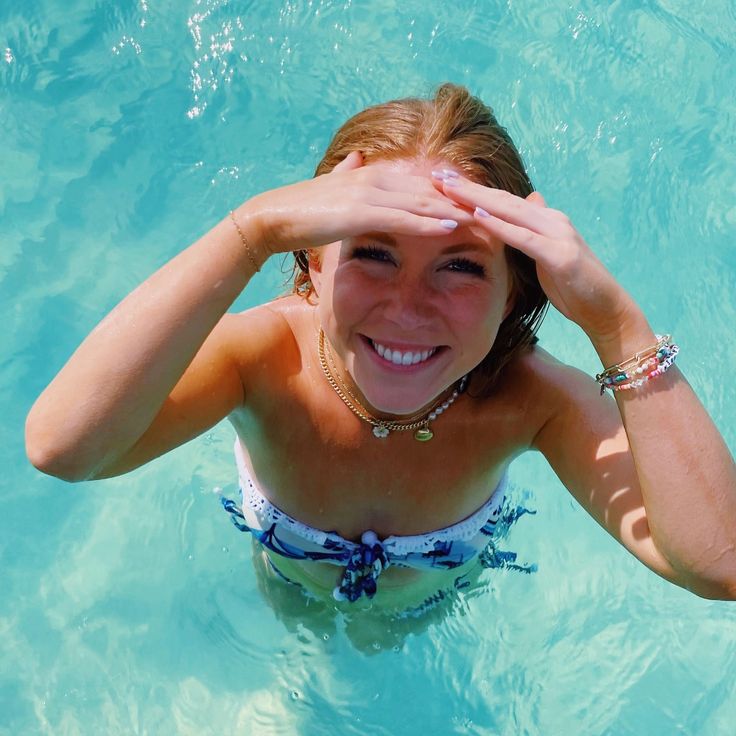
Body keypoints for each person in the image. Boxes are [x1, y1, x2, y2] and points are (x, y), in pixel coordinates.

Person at [25, 83, 736, 615]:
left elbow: (719, 562)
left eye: (460, 266)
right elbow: (64, 448)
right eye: (372, 253)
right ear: (310, 266)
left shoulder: (530, 401)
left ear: (516, 293)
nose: (407, 306)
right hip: (286, 576)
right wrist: (249, 229)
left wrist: (617, 324)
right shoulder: (265, 360)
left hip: (435, 598)